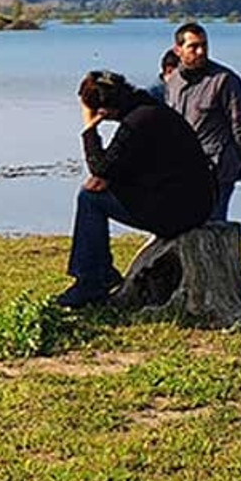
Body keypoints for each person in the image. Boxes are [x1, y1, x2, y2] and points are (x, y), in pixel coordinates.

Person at [58, 70, 215, 309]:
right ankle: (100, 273)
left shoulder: (137, 123)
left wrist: (89, 129)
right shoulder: (150, 111)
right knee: (95, 192)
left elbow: (100, 167)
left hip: (179, 213)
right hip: (195, 203)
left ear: (104, 111)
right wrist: (109, 178)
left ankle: (91, 282)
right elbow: (123, 165)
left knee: (89, 199)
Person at [164, 22, 241, 221]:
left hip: (217, 172)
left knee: (213, 229)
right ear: (178, 50)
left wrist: (234, 162)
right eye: (193, 47)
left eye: (204, 45)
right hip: (183, 171)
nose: (200, 51)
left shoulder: (225, 80)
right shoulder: (172, 82)